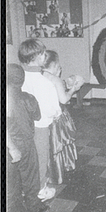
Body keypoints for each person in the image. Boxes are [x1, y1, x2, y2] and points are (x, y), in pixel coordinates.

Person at [18, 39, 60, 202]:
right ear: (37, 57)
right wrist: (57, 114)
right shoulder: (44, 82)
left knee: (27, 158)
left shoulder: (20, 76)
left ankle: (26, 186)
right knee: (41, 157)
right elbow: (52, 109)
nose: (45, 55)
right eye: (43, 53)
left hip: (23, 126)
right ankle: (41, 190)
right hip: (41, 126)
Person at [7, 63, 49, 212]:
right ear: (22, 80)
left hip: (9, 143)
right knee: (31, 176)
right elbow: (37, 116)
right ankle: (34, 207)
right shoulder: (28, 98)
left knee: (12, 177)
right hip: (24, 142)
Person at [41, 50, 82, 184]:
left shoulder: (39, 75)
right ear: (54, 64)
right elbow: (63, 100)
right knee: (59, 144)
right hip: (56, 117)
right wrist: (73, 89)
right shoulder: (55, 79)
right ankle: (62, 168)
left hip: (41, 117)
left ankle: (45, 172)